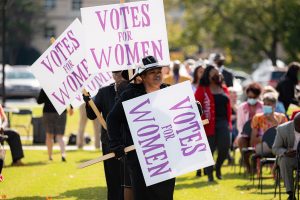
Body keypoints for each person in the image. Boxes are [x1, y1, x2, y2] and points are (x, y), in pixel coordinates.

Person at [107, 56, 175, 200]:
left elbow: (180, 115)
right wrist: (115, 144)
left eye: (159, 71)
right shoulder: (130, 95)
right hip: (140, 161)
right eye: (152, 72)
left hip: (166, 158)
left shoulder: (169, 92)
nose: (157, 74)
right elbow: (112, 119)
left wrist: (194, 109)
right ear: (142, 76)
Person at [85, 70, 130, 200]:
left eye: (121, 72)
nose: (117, 76)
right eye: (114, 73)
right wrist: (89, 103)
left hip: (130, 142)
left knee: (131, 182)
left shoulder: (134, 91)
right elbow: (92, 115)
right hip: (110, 142)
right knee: (114, 181)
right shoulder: (104, 92)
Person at [194, 64, 231, 182]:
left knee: (224, 148)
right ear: (208, 76)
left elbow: (228, 107)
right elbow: (195, 106)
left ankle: (218, 167)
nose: (218, 75)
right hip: (208, 124)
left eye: (218, 73)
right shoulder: (202, 89)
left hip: (223, 122)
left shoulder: (224, 88)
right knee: (209, 150)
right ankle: (210, 175)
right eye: (214, 74)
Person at [37, 89, 73, 161]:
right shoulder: (62, 85)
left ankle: (50, 156)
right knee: (60, 136)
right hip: (61, 112)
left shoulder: (45, 87)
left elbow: (39, 101)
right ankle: (63, 154)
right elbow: (69, 97)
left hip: (48, 112)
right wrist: (71, 107)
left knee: (49, 135)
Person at [236, 82, 263, 172]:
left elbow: (264, 124)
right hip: (244, 134)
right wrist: (243, 134)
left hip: (259, 134)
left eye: (254, 97)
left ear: (258, 96)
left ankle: (255, 165)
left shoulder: (262, 107)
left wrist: (257, 134)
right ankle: (248, 166)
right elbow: (239, 124)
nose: (252, 99)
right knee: (241, 142)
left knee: (254, 140)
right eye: (250, 97)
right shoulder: (241, 107)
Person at [272, 113, 300, 200]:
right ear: (294, 124)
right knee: (284, 160)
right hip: (289, 157)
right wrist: (285, 152)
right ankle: (291, 193)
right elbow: (275, 148)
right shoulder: (283, 129)